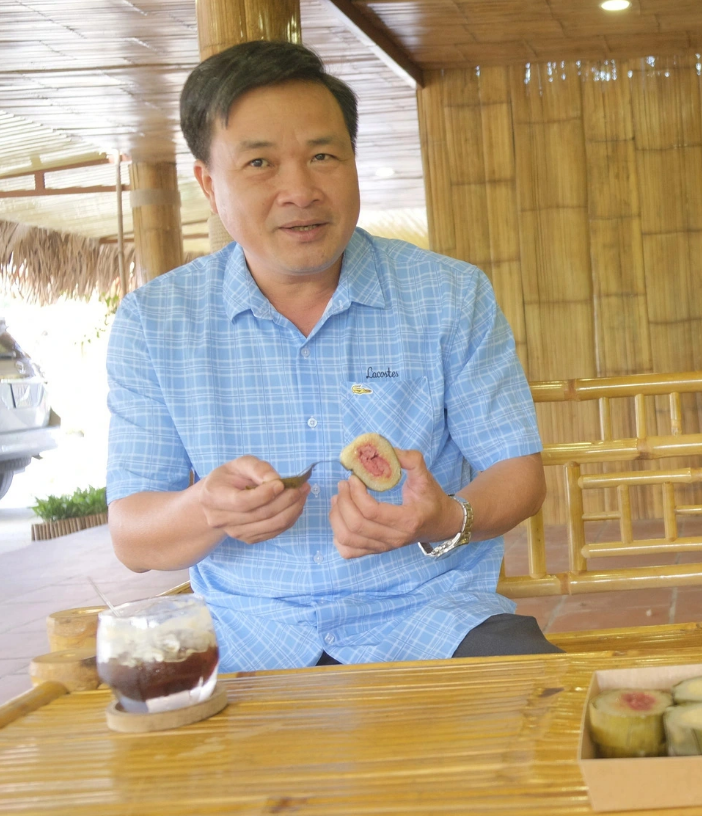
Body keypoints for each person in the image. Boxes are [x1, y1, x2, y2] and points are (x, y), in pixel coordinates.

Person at [106, 41, 557, 673]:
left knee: (548, 725)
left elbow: (519, 475)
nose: (300, 190)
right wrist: (208, 509)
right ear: (209, 184)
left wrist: (443, 516)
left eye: (323, 156)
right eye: (260, 163)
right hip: (245, 639)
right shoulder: (155, 323)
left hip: (432, 619)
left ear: (351, 162)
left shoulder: (449, 294)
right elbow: (132, 536)